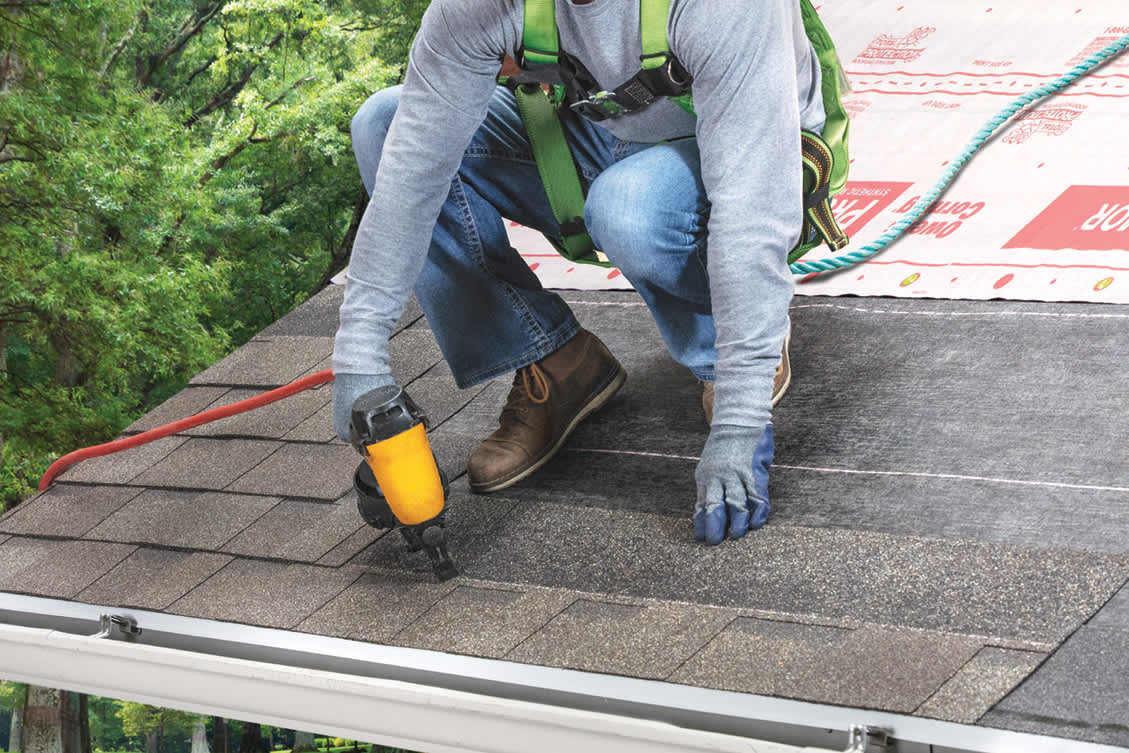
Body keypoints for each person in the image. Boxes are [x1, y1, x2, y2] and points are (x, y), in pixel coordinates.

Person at [333, 0, 827, 545]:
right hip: (594, 133)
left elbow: (752, 210)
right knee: (385, 125)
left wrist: (740, 420)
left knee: (630, 210)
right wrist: (358, 358)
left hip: (744, 148)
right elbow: (411, 175)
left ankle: (728, 349)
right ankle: (556, 362)